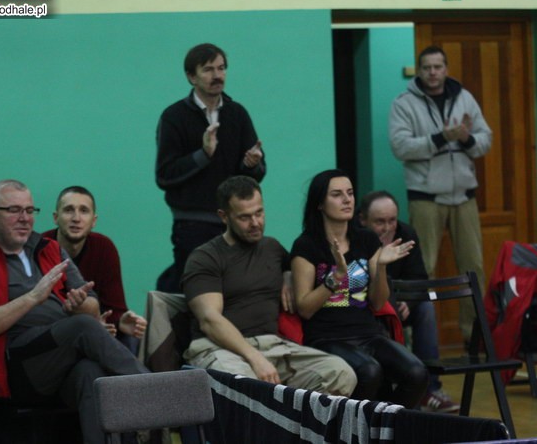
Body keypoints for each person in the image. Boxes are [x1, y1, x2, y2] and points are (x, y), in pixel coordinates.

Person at [0, 179, 148, 444]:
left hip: (57, 359)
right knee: (82, 327)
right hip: (11, 366)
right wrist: (32, 298)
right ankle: (155, 390)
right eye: (14, 210)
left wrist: (79, 305)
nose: (24, 218)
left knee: (90, 374)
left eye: (29, 210)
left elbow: (92, 305)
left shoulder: (49, 249)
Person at [182, 175, 356, 396]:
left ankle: (296, 421)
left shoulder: (272, 248)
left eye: (259, 213)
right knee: (245, 386)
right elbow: (210, 320)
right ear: (224, 216)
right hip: (219, 348)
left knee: (340, 373)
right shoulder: (205, 257)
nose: (255, 223)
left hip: (273, 346)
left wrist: (287, 275)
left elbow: (292, 266)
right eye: (244, 217)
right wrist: (255, 358)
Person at [290, 170, 428, 408]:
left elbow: (378, 302)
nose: (347, 200)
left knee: (417, 373)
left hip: (368, 334)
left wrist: (381, 266)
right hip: (326, 337)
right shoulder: (307, 245)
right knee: (369, 371)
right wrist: (335, 278)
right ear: (320, 203)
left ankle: (386, 424)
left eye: (350, 193)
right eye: (337, 194)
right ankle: (355, 427)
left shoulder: (366, 240)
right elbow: (304, 308)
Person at [388, 45, 492, 340]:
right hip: (426, 198)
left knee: (473, 268)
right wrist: (440, 138)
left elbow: (486, 140)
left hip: (464, 196)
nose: (433, 73)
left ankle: (475, 339)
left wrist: (466, 138)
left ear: (446, 69)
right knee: (424, 269)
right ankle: (423, 341)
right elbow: (400, 147)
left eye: (438, 67)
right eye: (427, 68)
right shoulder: (404, 103)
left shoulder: (464, 98)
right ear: (419, 71)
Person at [156, 43, 265, 293]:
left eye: (221, 68)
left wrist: (252, 165)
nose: (217, 75)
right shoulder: (174, 117)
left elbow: (255, 173)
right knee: (196, 293)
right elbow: (164, 175)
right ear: (191, 77)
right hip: (192, 225)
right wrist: (203, 155)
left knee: (237, 292)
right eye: (208, 69)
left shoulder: (237, 113)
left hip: (235, 222)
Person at [358, 190, 460, 413]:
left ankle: (430, 388)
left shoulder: (406, 233)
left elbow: (419, 278)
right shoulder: (355, 238)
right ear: (363, 220)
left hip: (400, 303)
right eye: (379, 222)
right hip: (366, 309)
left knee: (425, 308)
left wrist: (409, 302)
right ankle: (397, 385)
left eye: (392, 220)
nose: (387, 228)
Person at [42, 186, 146, 350]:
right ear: (56, 217)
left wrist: (120, 320)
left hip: (96, 326)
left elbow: (114, 307)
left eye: (84, 211)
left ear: (94, 221)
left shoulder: (104, 247)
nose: (76, 218)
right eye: (69, 210)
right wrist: (92, 325)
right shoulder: (41, 248)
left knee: (132, 339)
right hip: (54, 332)